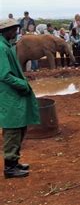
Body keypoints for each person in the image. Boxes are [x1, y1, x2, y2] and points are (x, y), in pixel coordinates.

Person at [0, 18, 40, 178]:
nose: (16, 32)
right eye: (13, 29)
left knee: (19, 127)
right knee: (12, 129)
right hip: (8, 95)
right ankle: (10, 167)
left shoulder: (6, 46)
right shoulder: (1, 48)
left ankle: (14, 162)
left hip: (12, 95)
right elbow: (4, 75)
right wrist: (22, 84)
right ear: (6, 31)